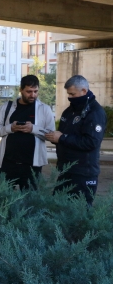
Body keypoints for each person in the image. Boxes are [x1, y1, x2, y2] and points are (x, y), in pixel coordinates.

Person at [45, 75, 106, 205]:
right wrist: (55, 138)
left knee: (79, 213)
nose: (70, 98)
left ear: (84, 91)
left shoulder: (95, 112)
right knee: (57, 208)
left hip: (83, 173)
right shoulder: (69, 111)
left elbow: (91, 142)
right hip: (66, 170)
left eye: (72, 94)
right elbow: (66, 136)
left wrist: (62, 137)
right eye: (68, 94)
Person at [0, 75, 55, 189]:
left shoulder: (44, 109)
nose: (33, 95)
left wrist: (33, 129)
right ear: (21, 90)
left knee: (30, 200)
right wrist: (10, 128)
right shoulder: (7, 107)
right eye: (29, 91)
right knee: (2, 198)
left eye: (36, 91)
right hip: (8, 162)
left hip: (32, 164)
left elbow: (51, 135)